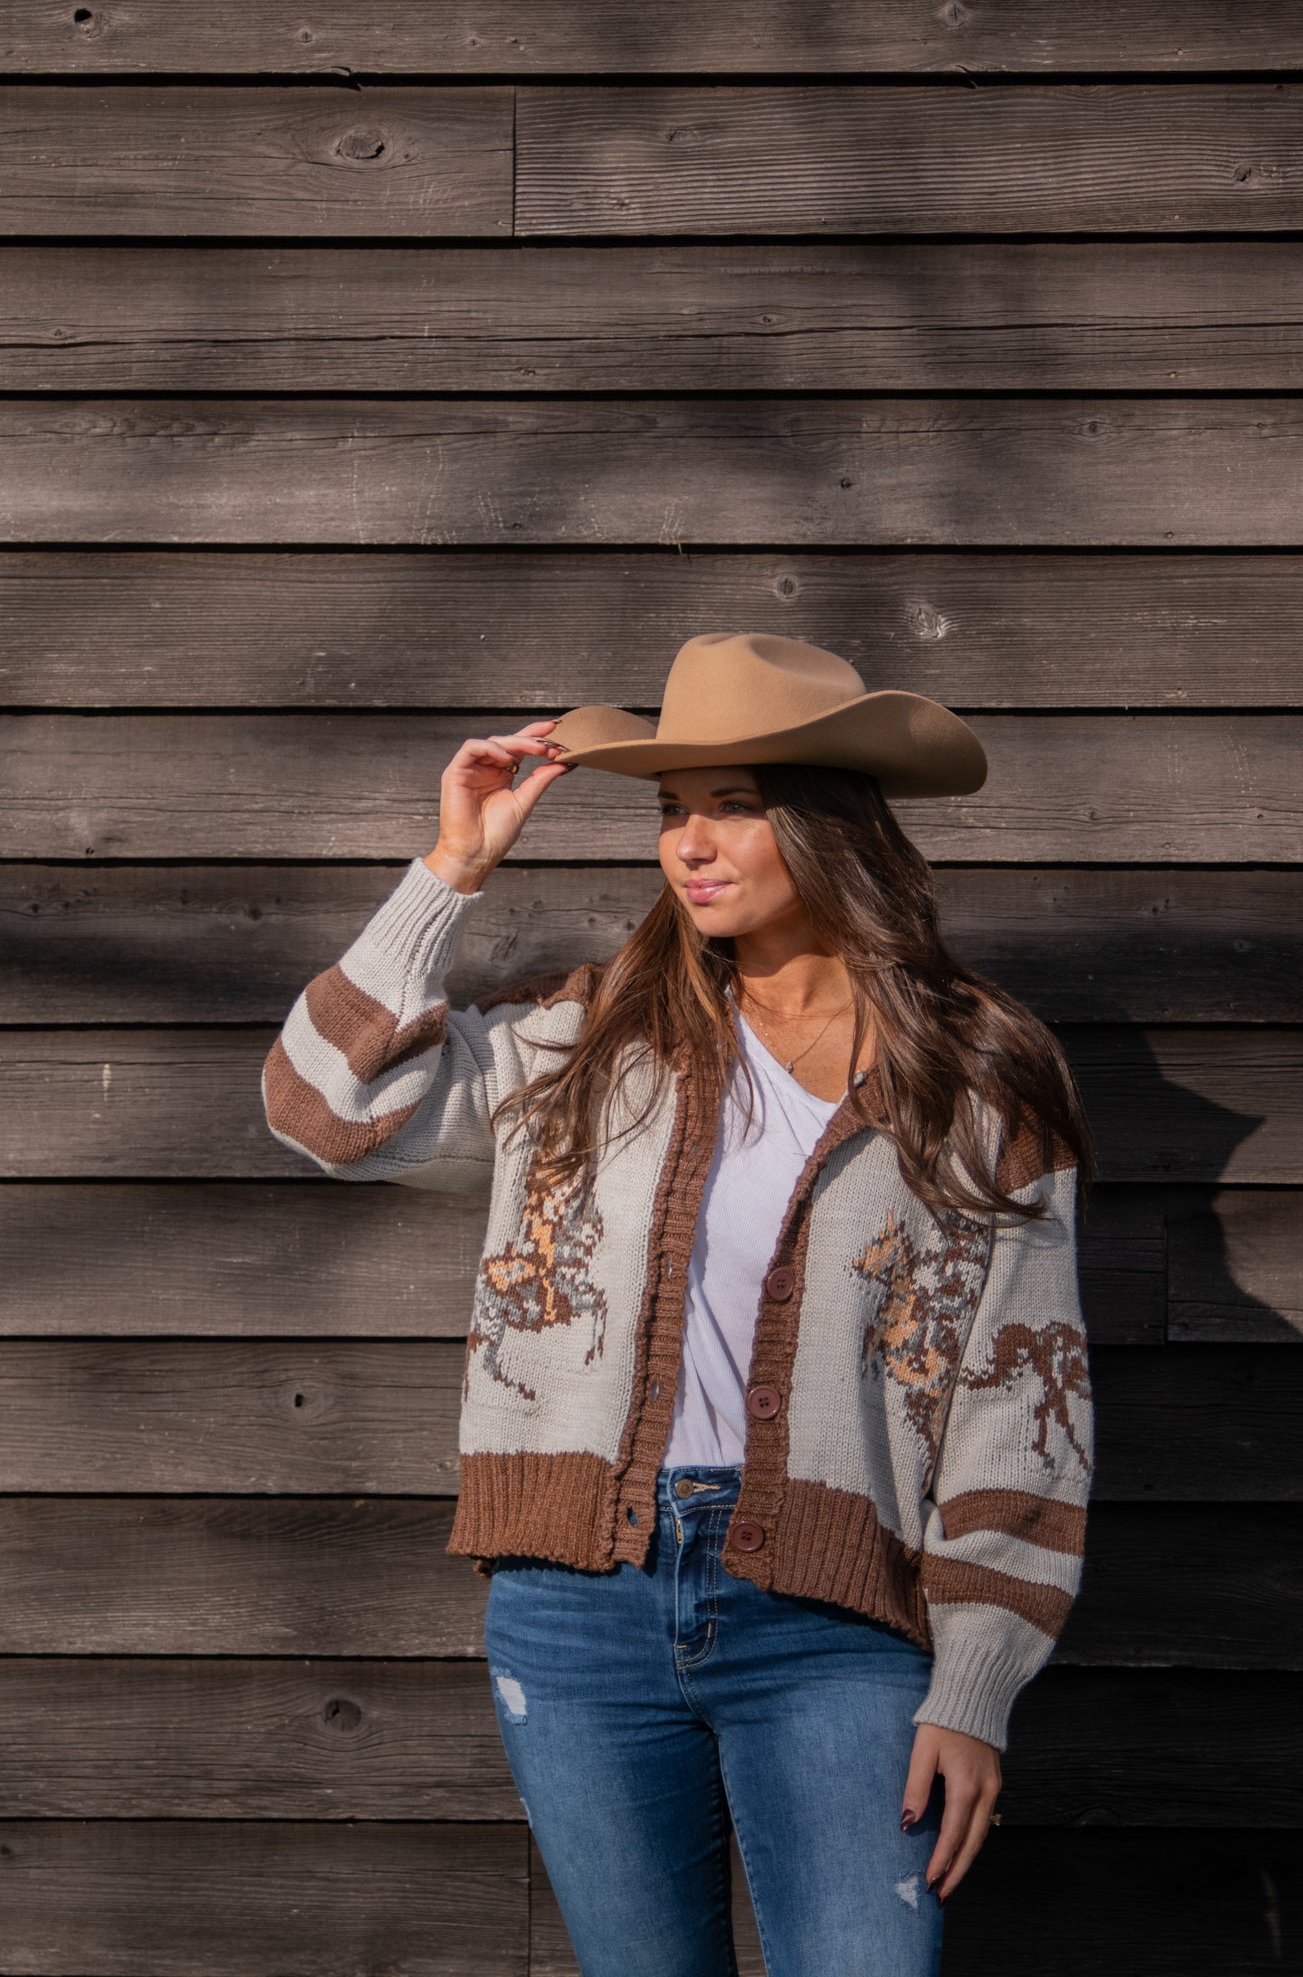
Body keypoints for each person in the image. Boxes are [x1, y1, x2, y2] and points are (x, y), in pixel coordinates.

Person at [262, 630, 1096, 1977]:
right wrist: (449, 870)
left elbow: (1023, 1400)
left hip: (833, 1616)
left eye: (732, 805)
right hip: (576, 1601)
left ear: (827, 825)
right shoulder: (585, 1035)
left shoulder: (974, 1074)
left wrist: (976, 1684)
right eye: (669, 810)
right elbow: (320, 1108)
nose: (689, 845)